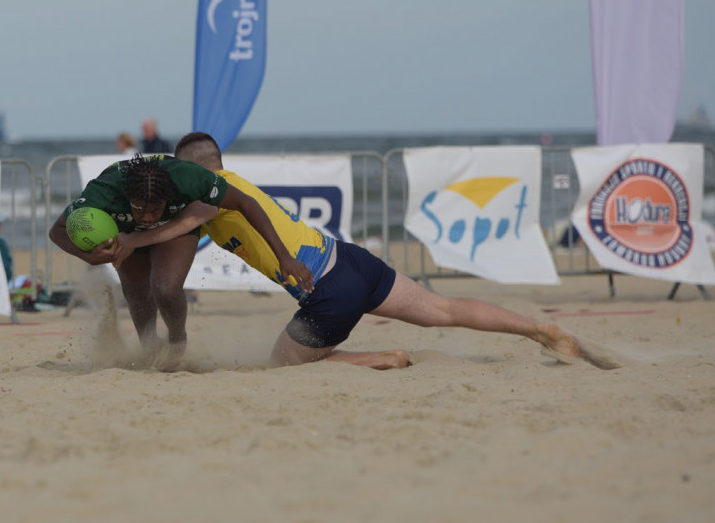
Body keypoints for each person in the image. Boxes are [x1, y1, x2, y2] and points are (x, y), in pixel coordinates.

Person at [112, 132, 604, 370]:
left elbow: (174, 231)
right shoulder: (237, 185)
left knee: (281, 366)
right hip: (350, 259)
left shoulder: (208, 196)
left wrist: (132, 239)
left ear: (194, 169)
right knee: (443, 309)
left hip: (327, 289)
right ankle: (540, 330)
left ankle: (383, 358)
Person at [48, 153, 313, 369]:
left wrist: (284, 257)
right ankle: (149, 348)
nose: (148, 218)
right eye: (140, 209)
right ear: (127, 198)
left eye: (155, 209)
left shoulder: (188, 178)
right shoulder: (105, 191)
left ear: (169, 196)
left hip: (176, 226)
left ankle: (177, 342)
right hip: (125, 232)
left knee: (165, 287)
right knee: (136, 292)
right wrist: (89, 257)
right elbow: (56, 231)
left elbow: (246, 203)